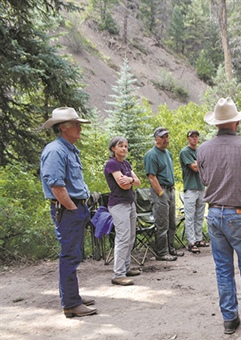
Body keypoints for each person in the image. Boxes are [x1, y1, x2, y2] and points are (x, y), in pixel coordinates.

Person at [197, 97, 241, 336]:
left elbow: (204, 181)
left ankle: (229, 318)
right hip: (238, 214)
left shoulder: (203, 149)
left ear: (217, 124)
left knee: (223, 268)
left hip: (214, 214)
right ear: (235, 123)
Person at [40, 107, 96, 318]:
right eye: (76, 124)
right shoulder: (55, 150)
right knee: (69, 256)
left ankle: (74, 297)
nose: (79, 127)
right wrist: (73, 208)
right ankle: (71, 303)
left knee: (74, 254)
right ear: (63, 127)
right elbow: (56, 186)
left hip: (75, 208)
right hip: (68, 210)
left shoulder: (68, 149)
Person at [104, 137, 141, 286]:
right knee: (123, 237)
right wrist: (130, 181)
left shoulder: (126, 163)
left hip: (130, 203)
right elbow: (123, 185)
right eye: (121, 146)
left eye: (126, 146)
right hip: (118, 204)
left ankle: (126, 268)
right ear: (113, 148)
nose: (124, 149)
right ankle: (118, 274)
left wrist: (130, 180)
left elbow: (137, 182)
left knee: (131, 236)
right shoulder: (112, 163)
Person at [143, 127, 184, 261]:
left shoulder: (168, 153)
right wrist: (161, 193)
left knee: (172, 222)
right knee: (162, 223)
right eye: (162, 137)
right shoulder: (151, 154)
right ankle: (162, 252)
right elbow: (151, 176)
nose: (166, 139)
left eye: (167, 136)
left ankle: (171, 248)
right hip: (160, 191)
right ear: (156, 139)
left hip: (171, 190)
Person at [179, 129, 208, 253]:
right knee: (190, 216)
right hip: (190, 187)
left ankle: (199, 239)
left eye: (196, 137)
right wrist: (200, 163)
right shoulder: (185, 152)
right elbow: (195, 168)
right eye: (192, 137)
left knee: (200, 215)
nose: (194, 139)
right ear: (188, 139)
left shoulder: (200, 151)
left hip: (201, 186)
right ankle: (191, 241)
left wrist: (199, 163)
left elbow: (208, 165)